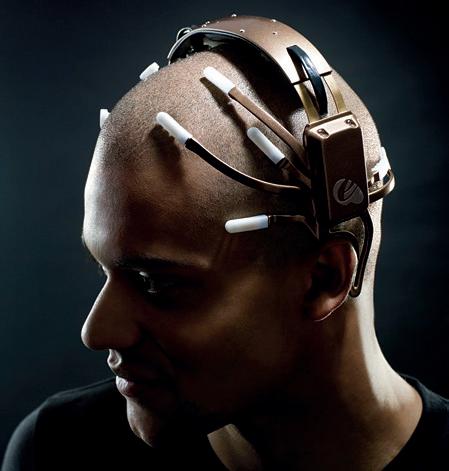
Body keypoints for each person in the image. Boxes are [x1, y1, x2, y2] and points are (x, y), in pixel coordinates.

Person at [2, 16, 449, 471]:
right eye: (104, 269)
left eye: (156, 283)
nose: (96, 332)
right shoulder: (56, 450)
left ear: (323, 278)